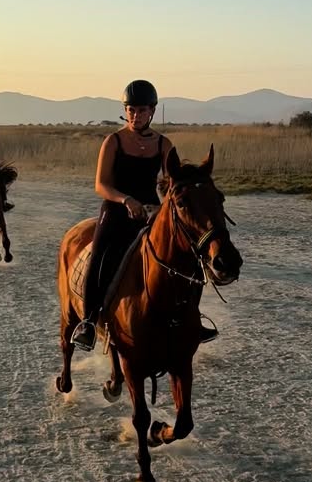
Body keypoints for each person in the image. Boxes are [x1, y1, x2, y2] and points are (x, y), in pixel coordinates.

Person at [71, 80, 218, 351]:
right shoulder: (113, 141)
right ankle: (89, 322)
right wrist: (126, 199)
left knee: (187, 255)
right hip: (116, 208)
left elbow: (169, 183)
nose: (135, 115)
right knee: (102, 256)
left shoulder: (164, 144)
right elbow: (101, 184)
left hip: (150, 210)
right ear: (125, 111)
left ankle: (193, 318)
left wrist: (159, 206)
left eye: (141, 110)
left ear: (152, 111)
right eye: (131, 110)